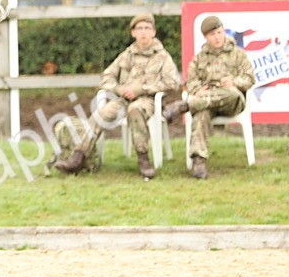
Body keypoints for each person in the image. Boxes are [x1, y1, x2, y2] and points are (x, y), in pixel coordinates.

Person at [55, 13, 180, 178]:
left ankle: (143, 159)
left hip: (147, 101)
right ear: (133, 33)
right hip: (123, 100)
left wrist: (141, 89)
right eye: (139, 28)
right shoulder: (126, 55)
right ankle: (78, 157)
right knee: (102, 113)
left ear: (154, 32)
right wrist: (120, 89)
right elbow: (106, 77)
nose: (143, 32)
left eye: (147, 28)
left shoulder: (162, 56)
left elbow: (173, 83)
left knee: (135, 110)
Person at [162, 15, 255, 179]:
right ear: (206, 37)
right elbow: (190, 82)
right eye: (213, 34)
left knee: (231, 93)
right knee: (201, 113)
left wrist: (233, 81)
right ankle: (199, 162)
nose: (217, 37)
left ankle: (184, 106)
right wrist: (197, 90)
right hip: (205, 103)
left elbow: (250, 79)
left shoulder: (238, 54)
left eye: (219, 33)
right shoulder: (199, 59)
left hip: (231, 102)